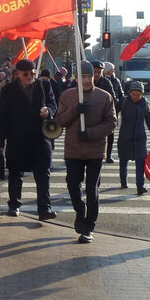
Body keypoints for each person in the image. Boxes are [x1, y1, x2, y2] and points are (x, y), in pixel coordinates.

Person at [55, 60, 117, 242]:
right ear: (76, 77)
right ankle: (79, 210)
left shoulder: (104, 97)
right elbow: (60, 121)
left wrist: (90, 134)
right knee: (73, 185)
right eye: (82, 76)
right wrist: (75, 110)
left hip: (95, 151)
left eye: (89, 76)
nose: (87, 80)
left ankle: (89, 226)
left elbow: (111, 123)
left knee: (92, 189)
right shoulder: (67, 96)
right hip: (73, 151)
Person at [0, 58, 58, 220]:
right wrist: (0, 143)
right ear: (18, 74)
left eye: (32, 73)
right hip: (17, 138)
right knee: (15, 172)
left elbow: (53, 103)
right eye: (26, 74)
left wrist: (48, 111)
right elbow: (2, 117)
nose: (30, 76)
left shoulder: (44, 85)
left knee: (43, 173)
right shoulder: (8, 90)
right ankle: (14, 205)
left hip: (40, 138)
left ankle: (44, 209)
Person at [117, 81, 150, 193]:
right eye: (134, 94)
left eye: (138, 94)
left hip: (140, 138)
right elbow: (112, 113)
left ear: (142, 94)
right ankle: (123, 181)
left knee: (141, 163)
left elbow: (149, 120)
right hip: (125, 137)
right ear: (130, 93)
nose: (136, 97)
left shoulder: (144, 103)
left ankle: (140, 186)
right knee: (123, 161)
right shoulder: (124, 101)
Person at [101, 62, 123, 163]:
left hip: (113, 110)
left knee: (111, 134)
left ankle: (108, 155)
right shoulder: (100, 80)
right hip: (100, 111)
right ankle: (100, 154)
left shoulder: (116, 80)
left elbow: (120, 94)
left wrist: (118, 106)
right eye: (111, 69)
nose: (113, 70)